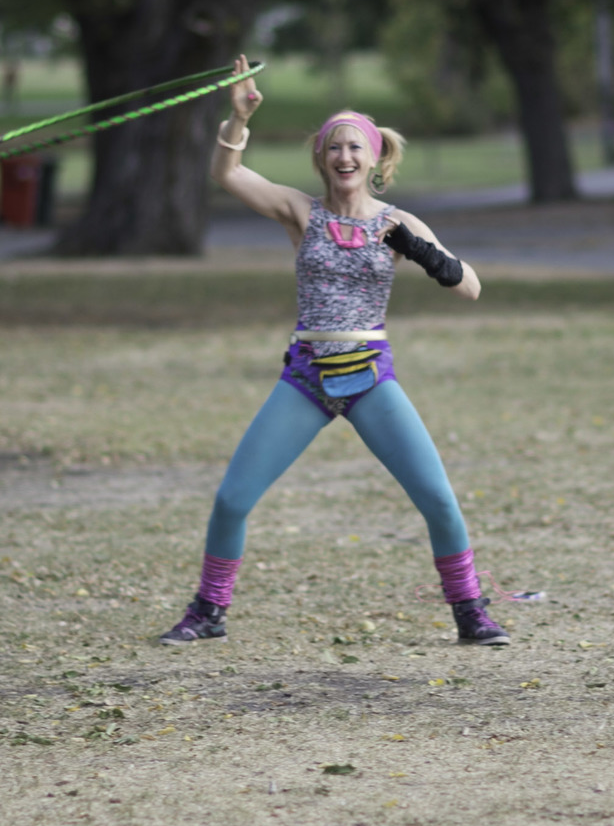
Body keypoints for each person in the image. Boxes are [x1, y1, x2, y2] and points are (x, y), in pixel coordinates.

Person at [157, 60, 506, 647]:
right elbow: (228, 173)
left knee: (440, 502)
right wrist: (238, 119)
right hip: (308, 376)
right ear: (322, 160)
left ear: (374, 159)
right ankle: (209, 611)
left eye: (355, 148)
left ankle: (471, 612)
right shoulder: (302, 212)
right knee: (232, 498)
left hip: (370, 377)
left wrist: (424, 252)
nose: (344, 156)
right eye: (333, 148)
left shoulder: (398, 223)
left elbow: (470, 286)